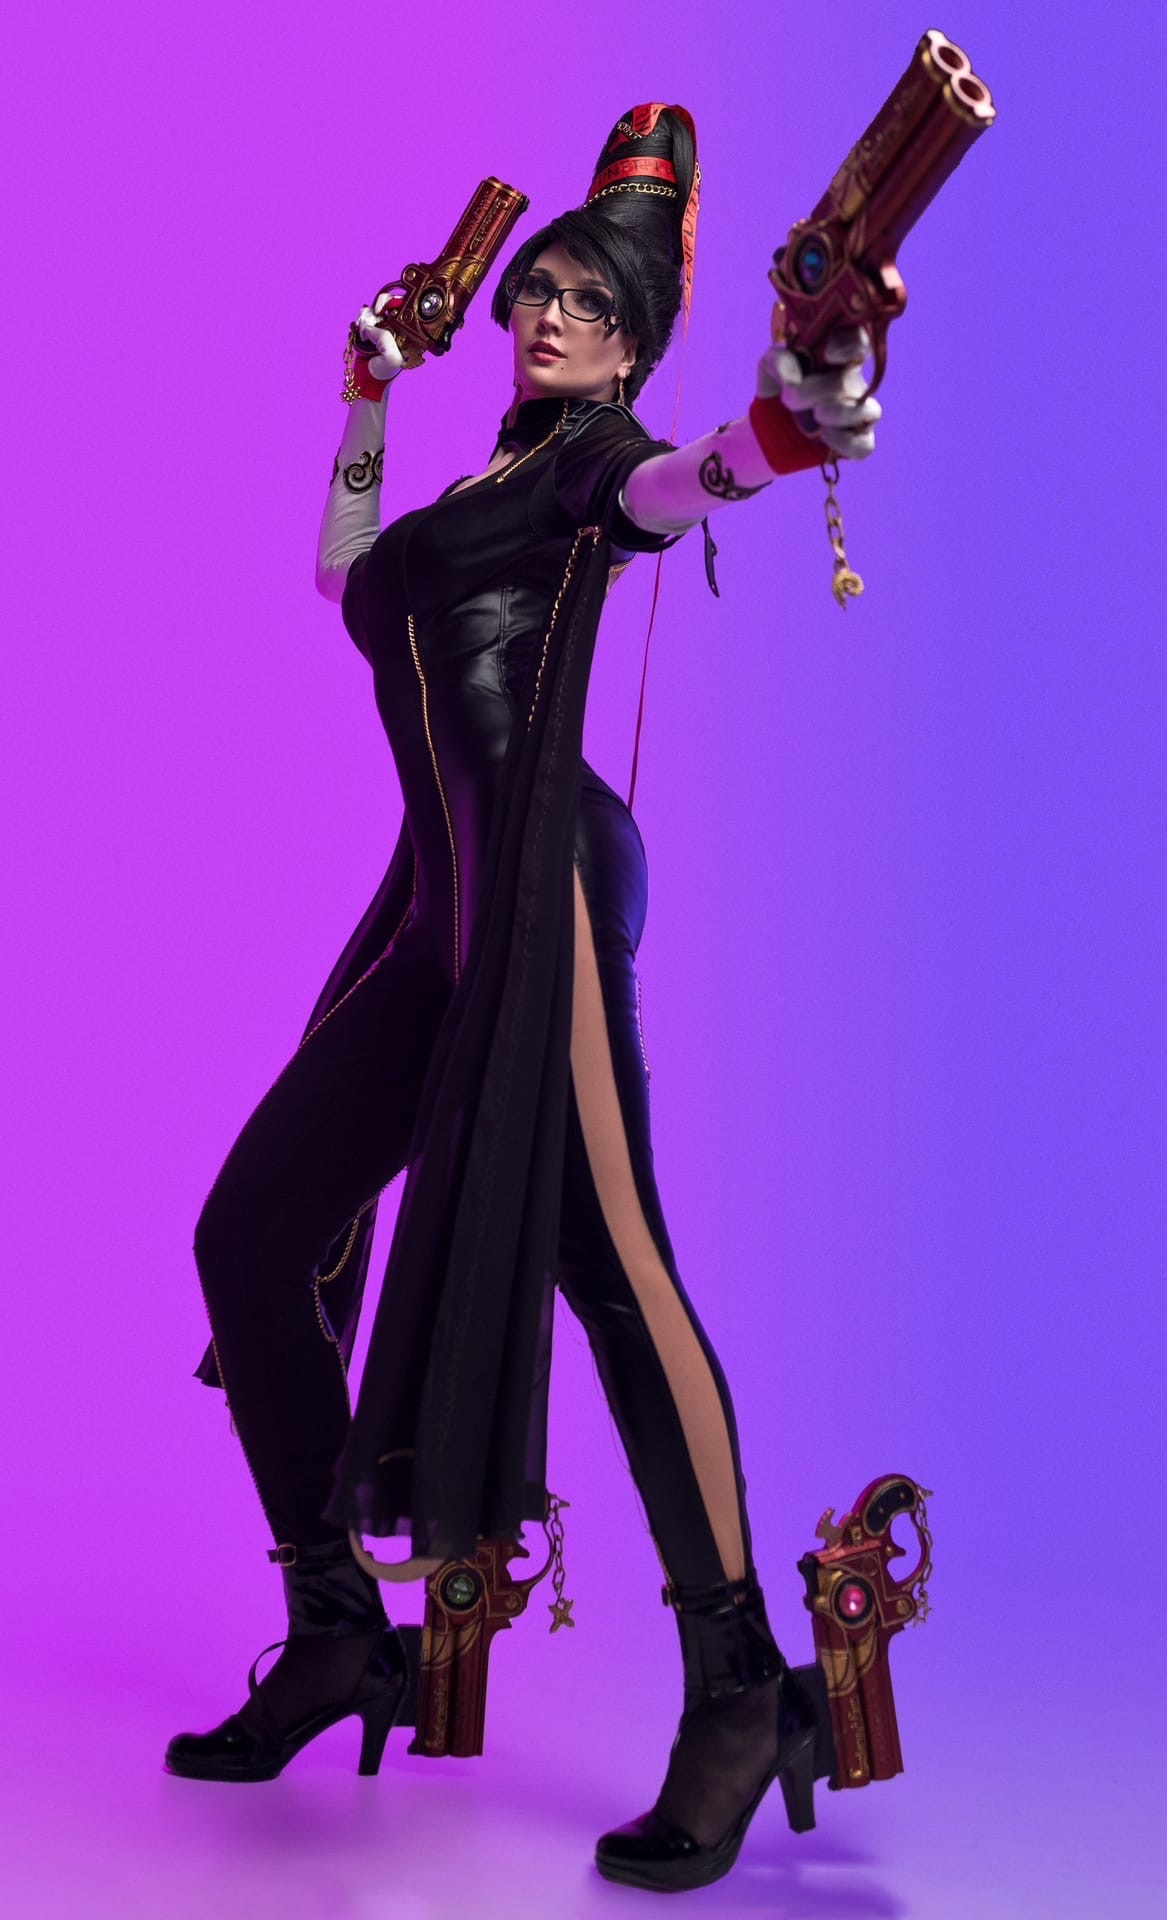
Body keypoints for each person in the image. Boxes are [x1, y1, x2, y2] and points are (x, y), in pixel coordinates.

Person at [165, 103, 882, 1894]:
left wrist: (789, 427)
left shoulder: (590, 470)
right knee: (253, 1236)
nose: (553, 313)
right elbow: (348, 579)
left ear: (634, 346)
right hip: (442, 905)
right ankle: (340, 1633)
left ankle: (745, 1688)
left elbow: (680, 484)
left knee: (609, 1255)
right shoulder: (478, 490)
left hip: (547, 878)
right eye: (542, 290)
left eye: (593, 303)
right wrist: (363, 397)